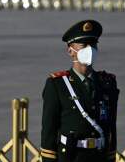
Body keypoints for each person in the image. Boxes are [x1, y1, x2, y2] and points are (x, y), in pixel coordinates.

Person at [41, 20, 118, 162]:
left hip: (99, 156)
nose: (90, 50)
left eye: (93, 45)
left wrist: (111, 157)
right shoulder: (57, 85)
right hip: (71, 157)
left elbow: (111, 127)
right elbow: (48, 134)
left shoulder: (107, 83)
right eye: (84, 45)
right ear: (70, 51)